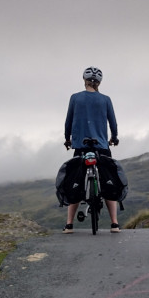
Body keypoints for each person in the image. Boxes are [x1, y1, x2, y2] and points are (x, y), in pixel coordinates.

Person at [63, 66, 120, 233]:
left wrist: (68, 139)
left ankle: (69, 225)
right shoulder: (106, 99)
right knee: (108, 180)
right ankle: (114, 224)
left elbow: (68, 122)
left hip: (80, 146)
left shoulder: (75, 98)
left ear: (84, 80)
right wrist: (114, 138)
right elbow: (113, 123)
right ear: (99, 83)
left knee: (75, 181)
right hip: (101, 146)